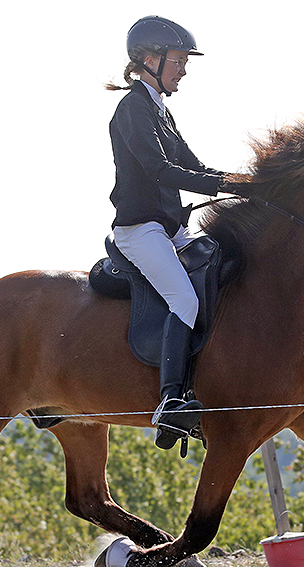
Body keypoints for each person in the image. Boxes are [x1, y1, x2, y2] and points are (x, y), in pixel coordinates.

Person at [106, 16, 245, 451]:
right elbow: (162, 171)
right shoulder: (132, 110)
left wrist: (244, 183)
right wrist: (226, 185)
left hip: (171, 230)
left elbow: (195, 166)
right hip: (141, 231)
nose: (183, 70)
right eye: (178, 61)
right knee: (182, 298)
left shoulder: (160, 110)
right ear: (150, 60)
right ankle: (170, 401)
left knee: (225, 260)